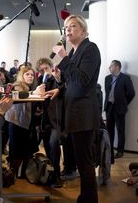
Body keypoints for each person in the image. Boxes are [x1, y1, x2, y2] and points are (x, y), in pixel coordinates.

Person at [49, 14, 101, 203]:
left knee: (85, 163)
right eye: (65, 27)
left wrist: (63, 58)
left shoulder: (90, 49)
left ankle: (89, 199)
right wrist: (59, 82)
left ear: (84, 30)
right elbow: (72, 82)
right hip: (73, 113)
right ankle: (85, 197)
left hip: (83, 115)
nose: (67, 30)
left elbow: (83, 81)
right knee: (80, 161)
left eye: (72, 26)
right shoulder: (73, 52)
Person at [4, 66, 44, 177]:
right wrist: (35, 93)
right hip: (16, 123)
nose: (30, 76)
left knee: (26, 150)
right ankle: (12, 176)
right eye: (27, 74)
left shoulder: (30, 87)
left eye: (32, 75)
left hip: (26, 123)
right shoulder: (17, 85)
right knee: (16, 152)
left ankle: (20, 174)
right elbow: (18, 97)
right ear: (22, 75)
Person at [36, 57, 64, 187]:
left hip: (56, 121)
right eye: (41, 70)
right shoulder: (39, 81)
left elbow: (61, 86)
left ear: (51, 67)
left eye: (46, 68)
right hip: (44, 121)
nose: (44, 72)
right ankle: (51, 173)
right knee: (47, 147)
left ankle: (57, 176)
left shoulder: (56, 78)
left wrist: (57, 79)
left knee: (53, 144)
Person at [104, 60, 135, 160]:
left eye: (111, 65)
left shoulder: (125, 78)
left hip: (120, 108)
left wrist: (124, 103)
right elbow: (107, 92)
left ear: (117, 67)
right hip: (109, 107)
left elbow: (131, 93)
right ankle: (110, 150)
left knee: (120, 130)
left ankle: (120, 151)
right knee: (109, 130)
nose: (109, 67)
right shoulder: (107, 78)